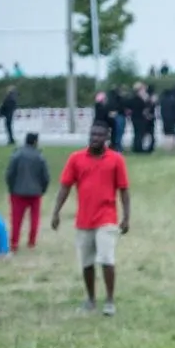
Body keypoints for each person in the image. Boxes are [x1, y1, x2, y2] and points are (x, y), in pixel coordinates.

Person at [50, 122, 131, 316]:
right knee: (86, 262)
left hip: (107, 218)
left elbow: (124, 190)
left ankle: (110, 300)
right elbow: (65, 187)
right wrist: (56, 212)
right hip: (84, 219)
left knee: (106, 258)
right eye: (92, 134)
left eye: (99, 135)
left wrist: (126, 217)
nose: (94, 138)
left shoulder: (116, 160)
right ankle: (91, 299)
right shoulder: (76, 159)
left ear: (107, 137)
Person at [5, 132, 50, 251]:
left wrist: (11, 188)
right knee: (34, 218)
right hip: (35, 192)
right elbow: (45, 176)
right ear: (35, 142)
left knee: (16, 219)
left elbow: (10, 174)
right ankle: (32, 242)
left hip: (17, 192)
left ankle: (14, 242)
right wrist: (42, 189)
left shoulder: (16, 155)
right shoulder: (40, 157)